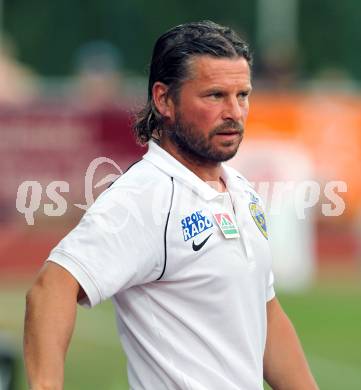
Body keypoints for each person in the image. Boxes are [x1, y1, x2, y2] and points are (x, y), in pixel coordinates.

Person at [24, 21, 318, 390]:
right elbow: (52, 286)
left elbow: (265, 315)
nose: (234, 112)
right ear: (164, 100)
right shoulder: (146, 196)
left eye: (242, 95)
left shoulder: (241, 190)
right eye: (214, 96)